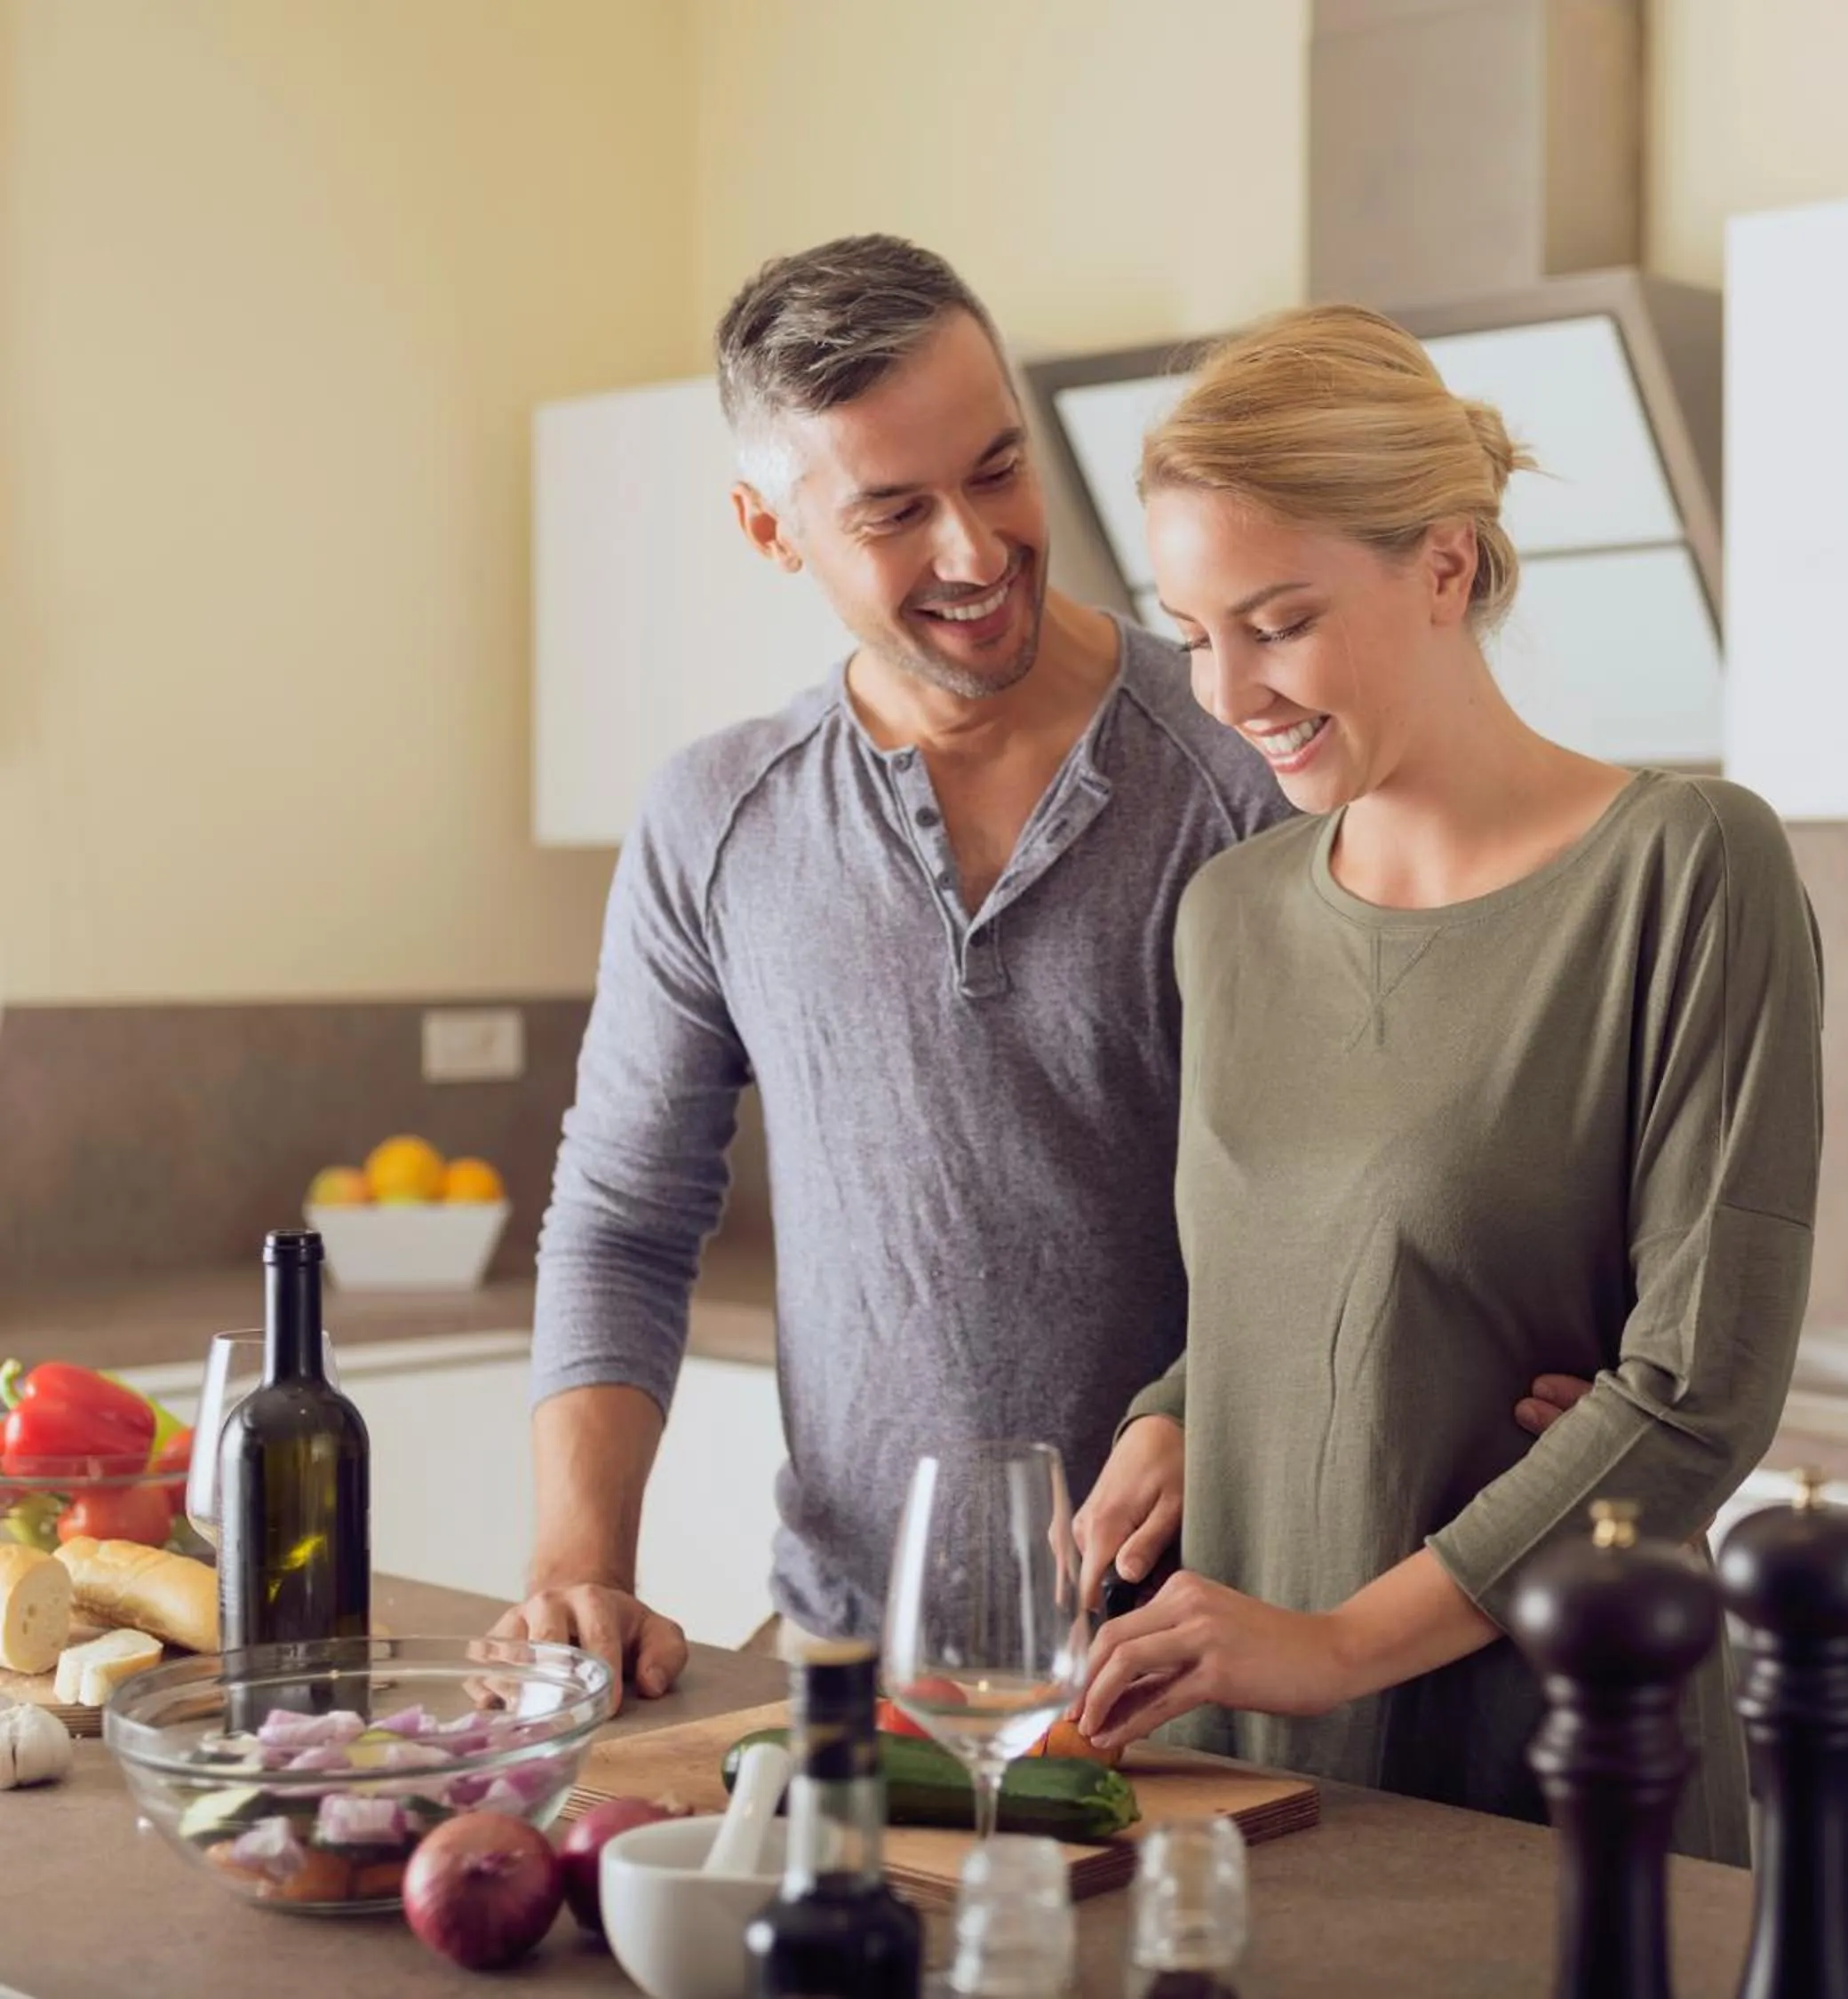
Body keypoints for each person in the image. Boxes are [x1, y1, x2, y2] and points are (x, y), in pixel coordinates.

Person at [490, 235, 1297, 1695]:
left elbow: (1347, 1209)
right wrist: (577, 1564)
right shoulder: (716, 820)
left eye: (998, 469)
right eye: (895, 510)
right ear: (768, 528)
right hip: (854, 1660)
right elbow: (621, 1218)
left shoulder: (1242, 767)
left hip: (1212, 1660)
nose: (977, 551)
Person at [1069, 305, 1824, 1861]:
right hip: (1240, 1757)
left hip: (1553, 1741)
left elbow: (1694, 1392)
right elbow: (1292, 1276)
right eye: (1194, 630)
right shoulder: (1232, 913)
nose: (1227, 690)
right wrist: (1177, 1411)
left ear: (1448, 565)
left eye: (1275, 621)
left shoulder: (1687, 867)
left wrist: (1335, 1640)